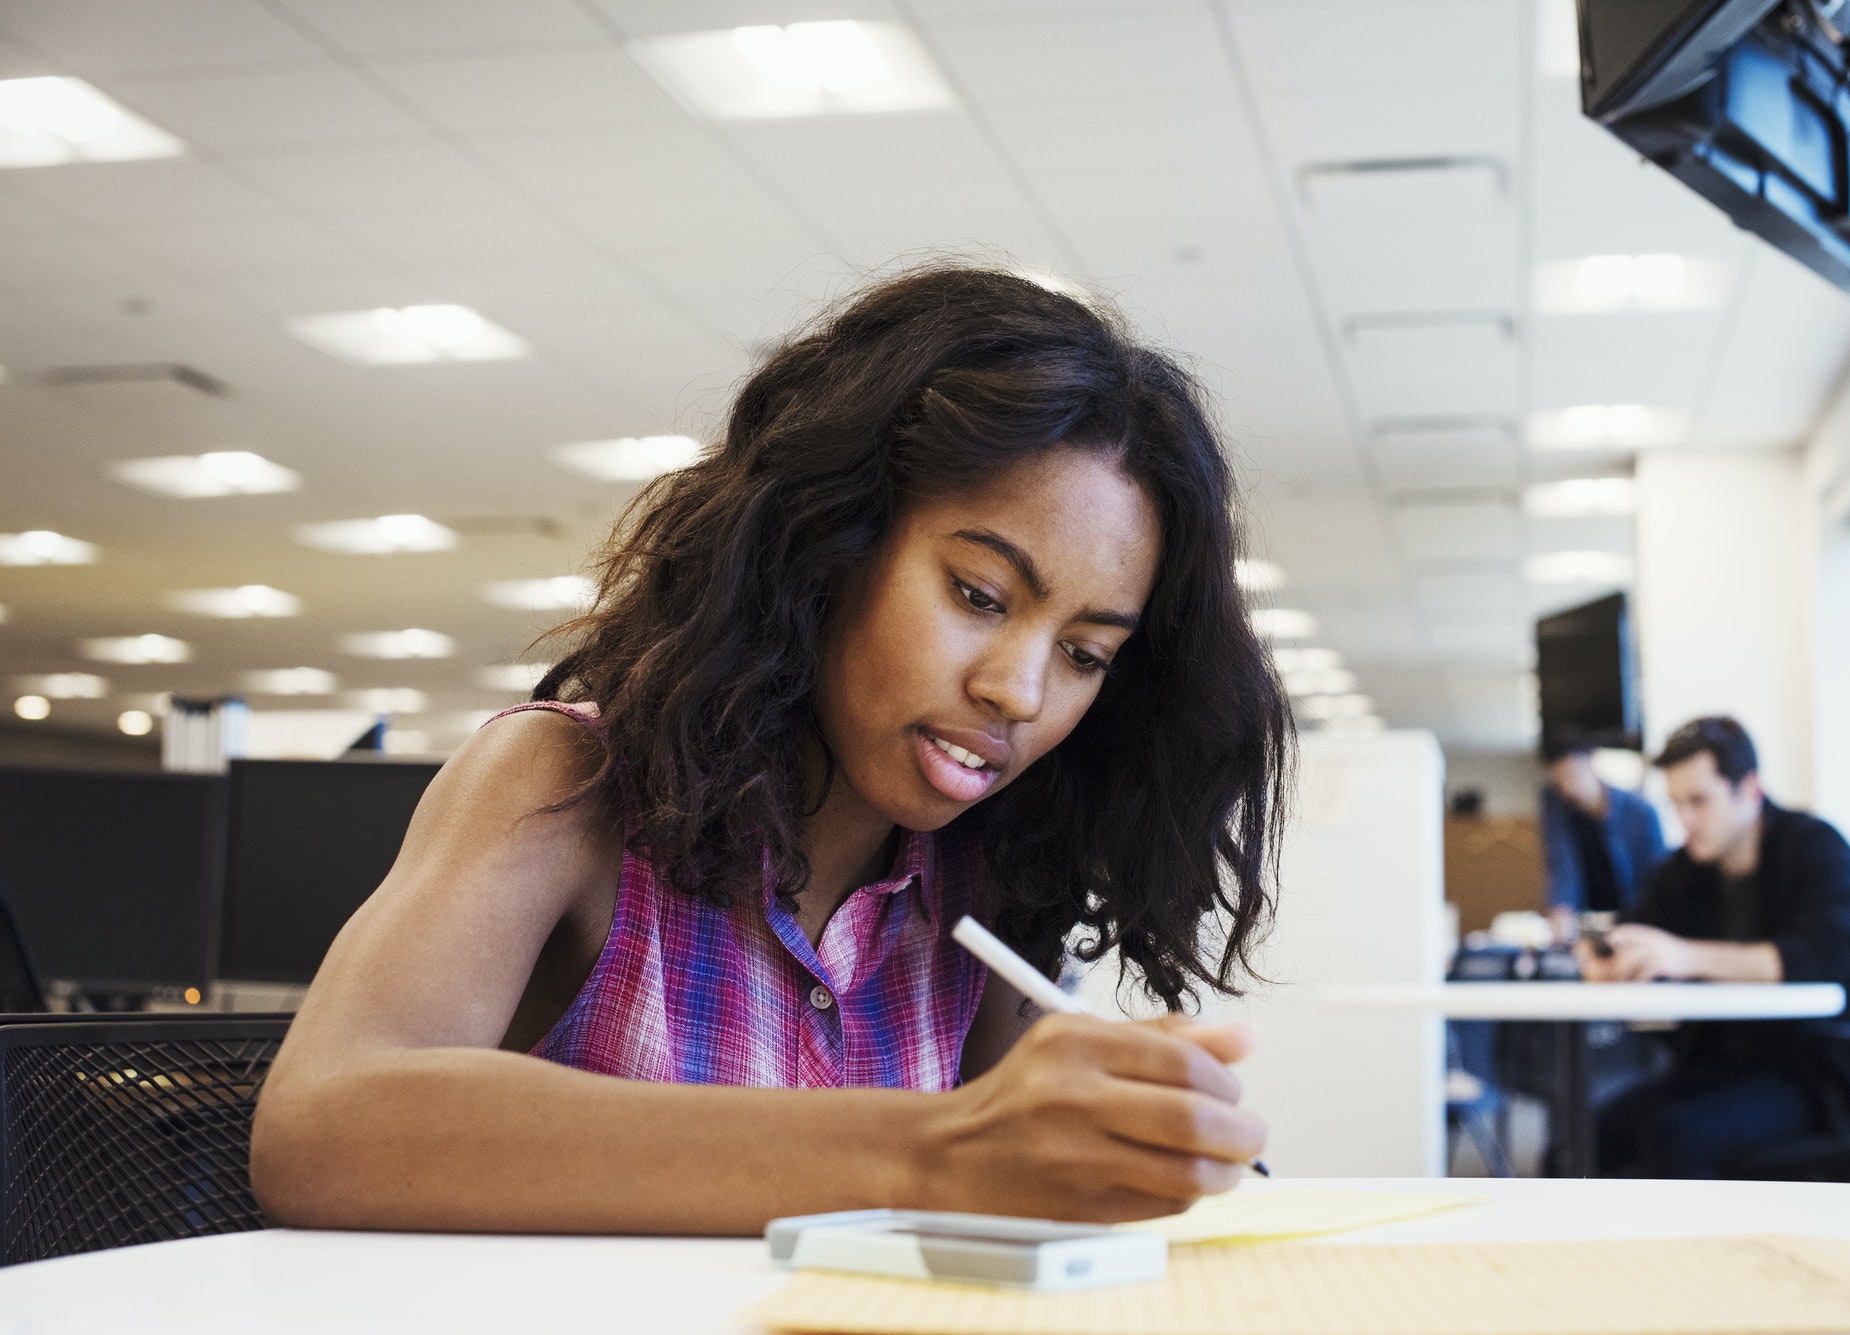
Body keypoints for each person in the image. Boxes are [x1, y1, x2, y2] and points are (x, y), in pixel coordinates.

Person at [249, 266, 1289, 1235]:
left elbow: (1008, 1222)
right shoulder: (568, 787)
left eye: (1084, 652)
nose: (1016, 691)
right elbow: (319, 1127)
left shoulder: (992, 887)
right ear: (825, 543)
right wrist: (928, 1151)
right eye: (977, 596)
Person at [1580, 717, 1850, 1178]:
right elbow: (1632, 931)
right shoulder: (1684, 871)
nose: (1685, 821)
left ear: (1750, 790)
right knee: (1586, 1135)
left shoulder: (1817, 849)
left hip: (1811, 1076)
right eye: (1677, 804)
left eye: (1699, 801)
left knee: (1675, 1135)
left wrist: (1684, 957)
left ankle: (1703, 1252)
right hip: (1715, 1067)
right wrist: (1603, 958)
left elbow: (1821, 957)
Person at [1539, 732, 1667, 916]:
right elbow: (1560, 866)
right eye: (1559, 780)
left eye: (1573, 774)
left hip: (1634, 917)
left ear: (1592, 759)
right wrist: (1561, 910)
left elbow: (1656, 880)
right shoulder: (1558, 807)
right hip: (1585, 921)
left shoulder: (1640, 811)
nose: (1568, 788)